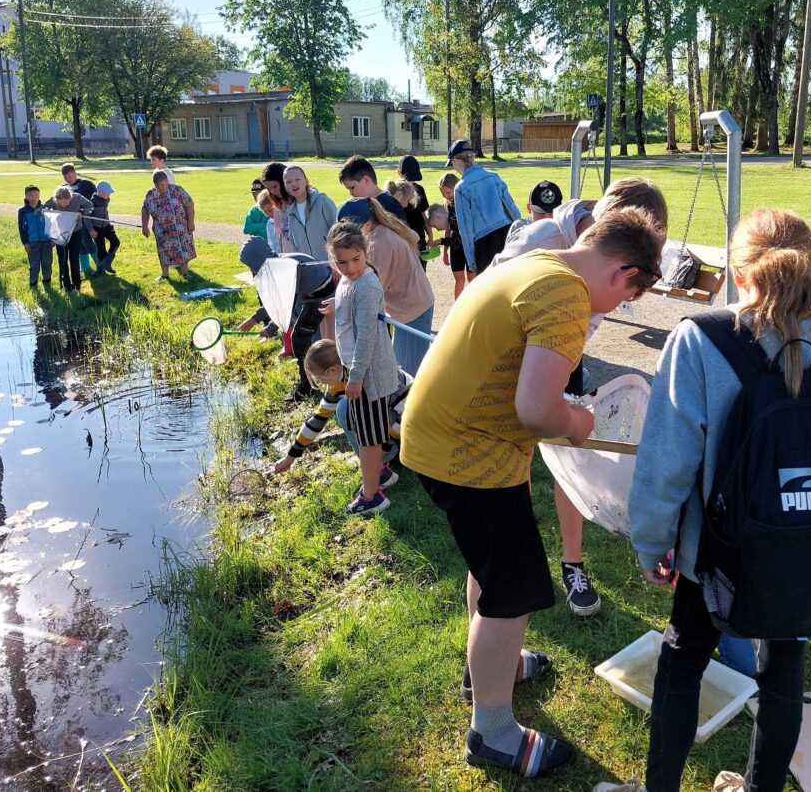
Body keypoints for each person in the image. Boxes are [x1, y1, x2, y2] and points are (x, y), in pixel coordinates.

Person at [614, 208, 811, 792]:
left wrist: (651, 540)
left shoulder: (701, 341)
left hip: (713, 556)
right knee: (784, 672)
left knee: (682, 663)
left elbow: (668, 461)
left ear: (739, 275)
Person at [402, 208, 664, 778]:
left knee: (492, 569)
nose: (618, 309)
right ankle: (491, 732)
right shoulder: (567, 296)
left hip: (441, 435)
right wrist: (576, 422)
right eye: (629, 297)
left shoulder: (539, 260)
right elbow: (537, 409)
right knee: (514, 592)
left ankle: (489, 667)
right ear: (624, 272)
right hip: (466, 453)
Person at [489, 177, 669, 619]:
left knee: (567, 449)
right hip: (512, 363)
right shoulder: (546, 241)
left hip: (560, 352)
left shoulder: (606, 261)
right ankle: (520, 550)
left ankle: (572, 563)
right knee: (524, 447)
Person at [326, 220, 403, 517]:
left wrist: (356, 378)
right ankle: (381, 474)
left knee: (368, 440)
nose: (350, 267)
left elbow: (368, 336)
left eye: (356, 260)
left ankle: (372, 497)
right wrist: (336, 305)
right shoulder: (349, 281)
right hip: (357, 371)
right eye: (341, 262)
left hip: (369, 376)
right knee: (364, 430)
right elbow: (351, 303)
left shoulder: (367, 285)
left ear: (366, 252)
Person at [273, 339, 410, 497]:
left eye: (319, 378)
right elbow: (317, 420)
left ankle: (387, 461)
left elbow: (408, 415)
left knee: (350, 408)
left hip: (409, 425)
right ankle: (378, 468)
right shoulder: (338, 383)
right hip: (389, 429)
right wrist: (290, 458)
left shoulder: (373, 375)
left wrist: (384, 450)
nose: (320, 383)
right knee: (344, 408)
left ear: (332, 370)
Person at [336, 197, 435, 375]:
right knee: (402, 366)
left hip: (411, 311)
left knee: (405, 375)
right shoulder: (382, 228)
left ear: (362, 224)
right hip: (410, 306)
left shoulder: (378, 242)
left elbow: (373, 288)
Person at [237, 235, 336, 391]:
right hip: (308, 294)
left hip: (321, 294)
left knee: (300, 339)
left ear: (260, 260)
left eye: (252, 265)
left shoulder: (283, 269)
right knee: (303, 336)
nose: (251, 270)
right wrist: (263, 323)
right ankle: (312, 375)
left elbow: (284, 305)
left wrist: (263, 324)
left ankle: (307, 385)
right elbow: (275, 302)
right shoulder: (274, 264)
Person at [446, 138, 520, 274]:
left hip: (485, 243)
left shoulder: (461, 188)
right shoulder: (493, 176)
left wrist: (472, 262)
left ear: (456, 161)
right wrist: (520, 233)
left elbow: (465, 229)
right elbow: (512, 210)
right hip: (506, 233)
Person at [141, 169, 196, 281]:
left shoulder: (177, 190)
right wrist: (144, 226)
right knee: (163, 251)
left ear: (167, 182)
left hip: (180, 228)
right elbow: (145, 210)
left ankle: (185, 273)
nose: (160, 187)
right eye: (157, 185)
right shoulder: (151, 195)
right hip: (161, 231)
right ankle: (164, 275)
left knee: (183, 249)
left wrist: (191, 222)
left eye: (162, 184)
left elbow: (189, 204)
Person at [43, 183, 93, 293]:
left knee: (74, 259)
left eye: (66, 202)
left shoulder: (77, 197)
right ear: (56, 200)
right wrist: (45, 210)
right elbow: (43, 207)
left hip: (76, 232)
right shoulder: (52, 200)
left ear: (70, 197)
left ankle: (76, 286)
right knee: (62, 260)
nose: (64, 205)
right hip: (60, 234)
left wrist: (82, 212)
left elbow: (90, 205)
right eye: (61, 204)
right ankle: (66, 285)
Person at [283, 164, 339, 258]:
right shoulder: (291, 212)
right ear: (285, 187)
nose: (293, 184)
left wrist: (337, 260)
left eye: (297, 179)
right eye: (288, 182)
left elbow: (338, 230)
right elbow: (294, 244)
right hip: (308, 267)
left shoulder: (322, 201)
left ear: (306, 181)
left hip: (330, 264)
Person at [337, 154, 409, 224]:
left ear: (366, 180)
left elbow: (402, 233)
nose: (351, 193)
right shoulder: (359, 206)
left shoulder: (389, 204)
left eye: (352, 188)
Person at [437, 172, 473, 299]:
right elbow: (447, 229)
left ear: (456, 187)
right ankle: (458, 308)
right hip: (455, 248)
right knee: (459, 280)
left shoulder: (467, 202)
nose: (446, 196)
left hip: (470, 247)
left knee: (472, 280)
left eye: (448, 193)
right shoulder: (447, 206)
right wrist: (445, 252)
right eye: (443, 194)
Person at [62, 162, 100, 276]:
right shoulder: (63, 188)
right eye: (65, 177)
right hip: (72, 222)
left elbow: (95, 199)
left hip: (86, 218)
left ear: (75, 173)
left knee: (87, 241)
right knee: (79, 244)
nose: (68, 179)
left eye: (70, 176)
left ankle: (100, 265)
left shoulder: (86, 184)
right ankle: (86, 268)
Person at [17, 184, 52, 292]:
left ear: (39, 195)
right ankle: (33, 285)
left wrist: (52, 238)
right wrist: (25, 242)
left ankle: (47, 283)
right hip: (32, 243)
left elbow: (50, 224)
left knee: (47, 263)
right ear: (26, 197)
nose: (34, 197)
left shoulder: (44, 209)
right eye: (30, 195)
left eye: (36, 195)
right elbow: (22, 228)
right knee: (34, 264)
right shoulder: (23, 211)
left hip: (46, 242)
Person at [398, 154, 431, 254]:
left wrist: (431, 236)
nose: (411, 182)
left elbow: (424, 215)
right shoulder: (395, 192)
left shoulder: (419, 189)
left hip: (420, 238)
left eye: (414, 179)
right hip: (403, 241)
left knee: (421, 268)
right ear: (399, 172)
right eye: (409, 179)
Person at [89, 180, 121, 275]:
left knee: (116, 242)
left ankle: (106, 262)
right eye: (108, 192)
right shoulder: (92, 202)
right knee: (101, 249)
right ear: (101, 192)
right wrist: (91, 229)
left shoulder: (107, 199)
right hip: (97, 228)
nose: (109, 195)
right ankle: (100, 269)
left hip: (107, 226)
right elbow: (87, 217)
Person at [261, 162, 293, 252]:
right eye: (269, 188)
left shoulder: (304, 201)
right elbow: (281, 238)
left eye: (274, 186)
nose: (273, 191)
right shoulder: (278, 207)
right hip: (288, 260)